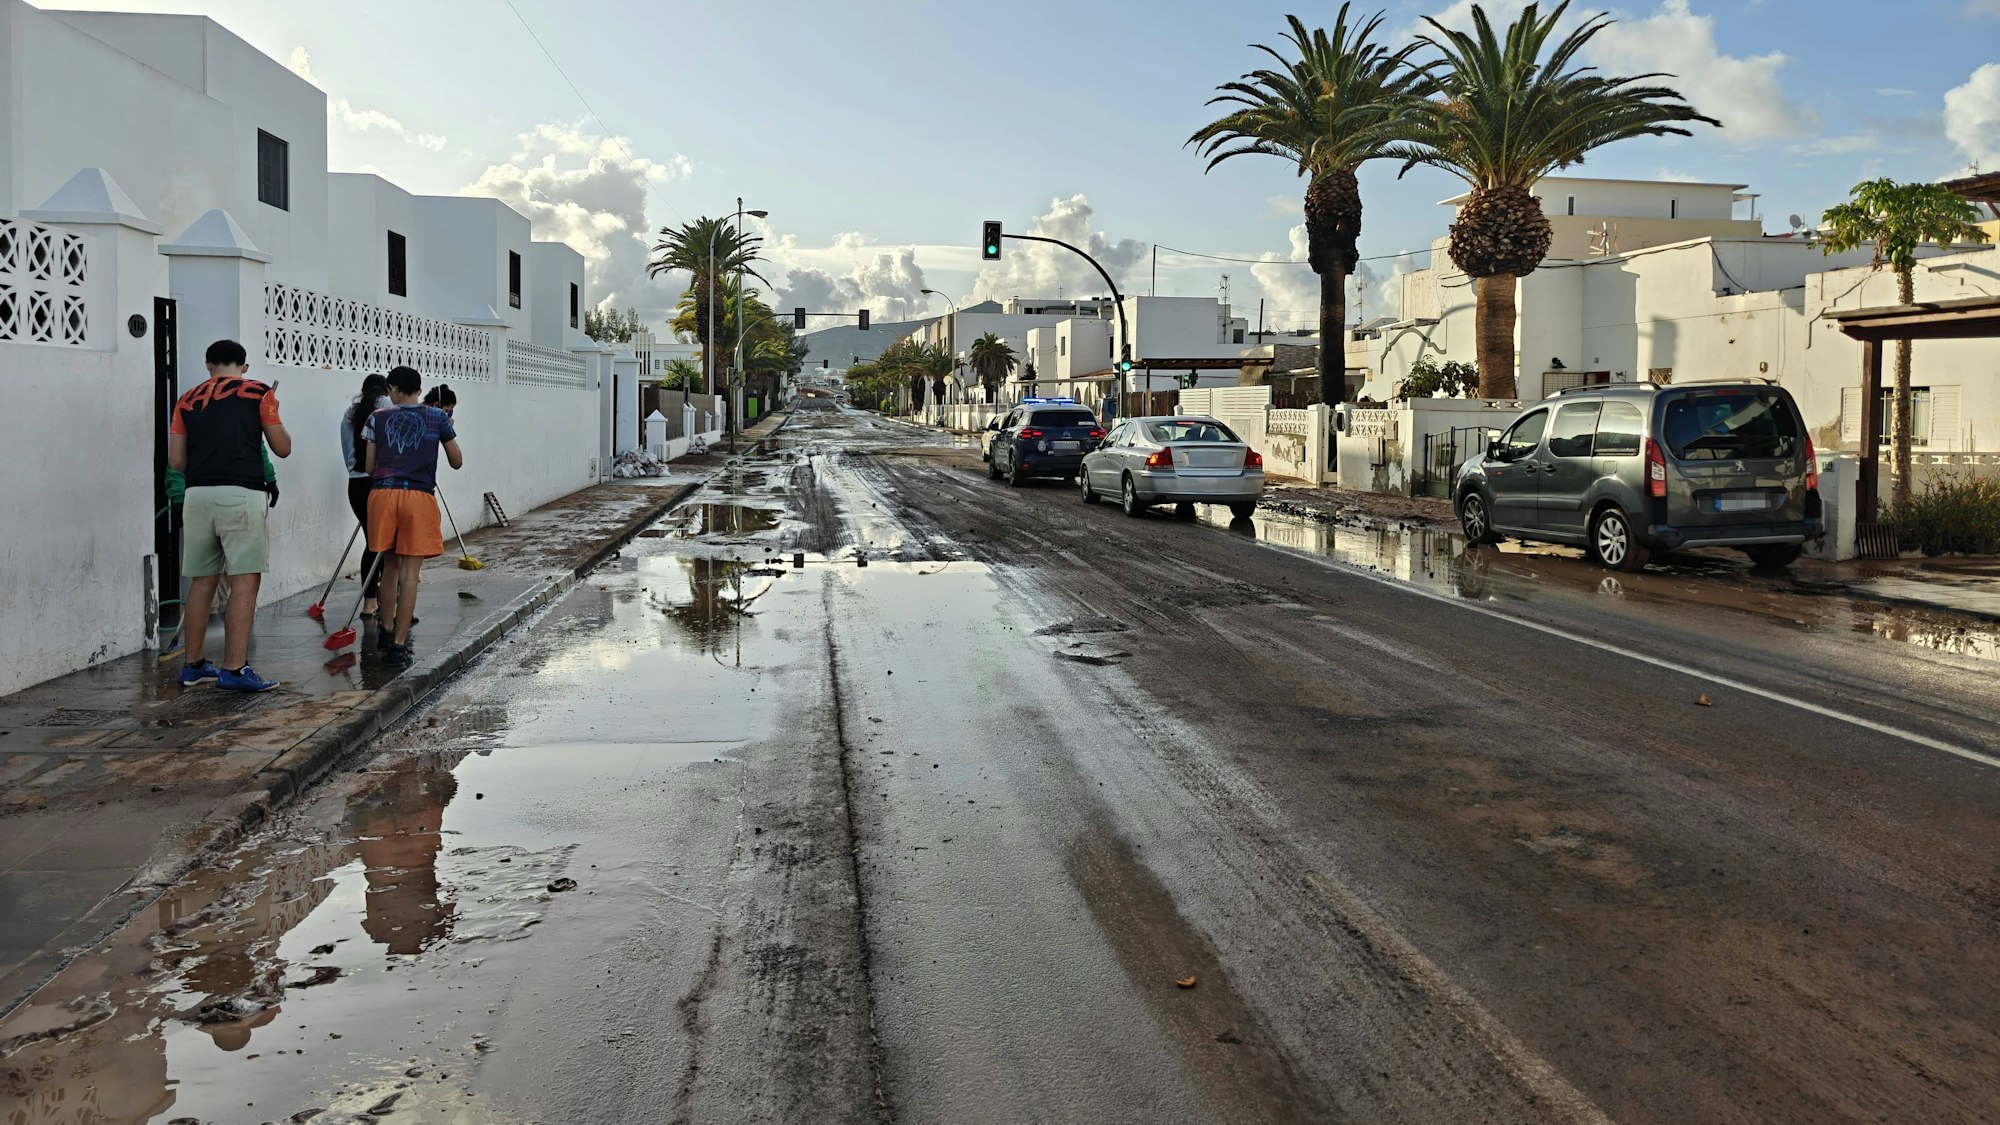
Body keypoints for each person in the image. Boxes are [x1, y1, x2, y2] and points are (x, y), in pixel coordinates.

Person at [168, 339, 291, 691]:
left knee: (202, 581)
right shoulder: (259, 393)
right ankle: (234, 669)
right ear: (244, 366)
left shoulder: (187, 399)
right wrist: (275, 413)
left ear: (208, 365)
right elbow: (282, 448)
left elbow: (177, 461)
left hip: (197, 496)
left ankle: (192, 665)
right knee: (244, 581)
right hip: (241, 495)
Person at [363, 366, 463, 666]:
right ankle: (399, 643)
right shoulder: (437, 418)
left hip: (383, 494)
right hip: (419, 497)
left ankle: (386, 626)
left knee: (390, 567)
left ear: (392, 389)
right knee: (410, 574)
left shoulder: (376, 418)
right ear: (419, 390)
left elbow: (369, 467)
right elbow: (456, 461)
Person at [341, 373, 393, 617]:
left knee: (373, 542)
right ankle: (378, 599)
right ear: (387, 389)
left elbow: (346, 450)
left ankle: (370, 601)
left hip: (357, 484)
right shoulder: (387, 406)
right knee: (384, 543)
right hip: (381, 482)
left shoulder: (350, 412)